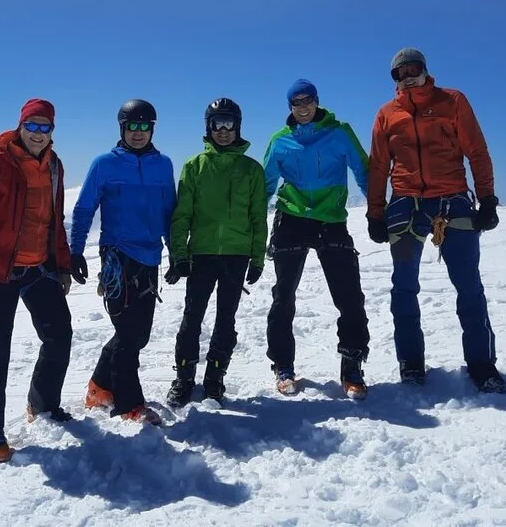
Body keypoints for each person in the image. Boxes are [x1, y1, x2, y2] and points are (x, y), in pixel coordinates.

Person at [366, 48, 506, 393]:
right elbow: (379, 167)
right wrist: (375, 212)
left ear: (426, 70)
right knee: (404, 287)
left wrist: (486, 199)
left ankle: (482, 364)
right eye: (400, 72)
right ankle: (411, 363)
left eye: (413, 69)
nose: (408, 76)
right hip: (405, 205)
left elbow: (476, 150)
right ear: (394, 80)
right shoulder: (387, 114)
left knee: (468, 284)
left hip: (451, 201)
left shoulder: (453, 101)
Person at [0, 98, 75, 463]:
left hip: (39, 269)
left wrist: (63, 266)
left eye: (46, 127)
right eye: (33, 126)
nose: (39, 133)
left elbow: (54, 222)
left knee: (59, 335)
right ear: (21, 126)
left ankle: (42, 405)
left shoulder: (54, 165)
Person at [262, 79, 371, 399]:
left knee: (349, 295)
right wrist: (252, 223)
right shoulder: (280, 140)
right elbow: (266, 183)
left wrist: (378, 210)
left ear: (317, 101)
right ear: (290, 108)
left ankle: (352, 365)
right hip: (291, 219)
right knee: (283, 297)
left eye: (308, 100)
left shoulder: (340, 132)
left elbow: (364, 171)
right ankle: (283, 366)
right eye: (296, 103)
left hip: (331, 220)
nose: (303, 107)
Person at [70, 99, 176, 425]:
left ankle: (99, 386)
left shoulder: (163, 165)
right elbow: (84, 208)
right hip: (117, 257)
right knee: (128, 334)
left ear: (153, 129)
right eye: (133, 126)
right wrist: (75, 252)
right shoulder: (104, 164)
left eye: (145, 127)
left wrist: (176, 254)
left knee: (138, 334)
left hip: (149, 258)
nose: (139, 133)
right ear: (122, 128)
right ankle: (130, 404)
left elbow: (169, 212)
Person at [163, 98, 268, 406]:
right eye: (217, 124)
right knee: (192, 318)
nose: (223, 130)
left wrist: (258, 257)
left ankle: (215, 379)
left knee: (226, 320)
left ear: (238, 127)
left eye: (229, 124)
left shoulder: (252, 170)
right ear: (208, 127)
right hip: (202, 255)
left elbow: (258, 217)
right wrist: (180, 254)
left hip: (237, 256)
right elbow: (182, 215)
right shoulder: (195, 167)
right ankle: (184, 379)